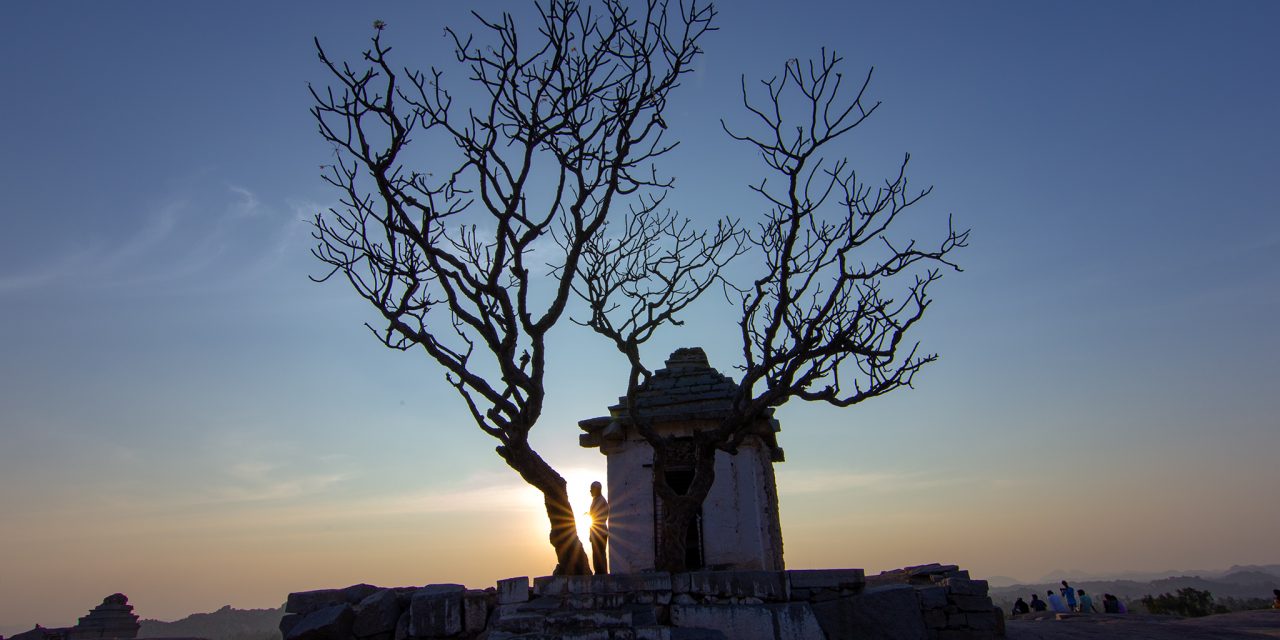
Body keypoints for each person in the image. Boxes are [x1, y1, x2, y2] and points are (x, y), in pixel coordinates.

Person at [588, 481, 610, 575]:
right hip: (597, 531)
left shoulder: (600, 501)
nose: (590, 491)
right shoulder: (597, 500)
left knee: (599, 553)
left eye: (592, 489)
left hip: (599, 531)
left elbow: (596, 517)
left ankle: (601, 573)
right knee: (597, 553)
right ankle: (600, 572)